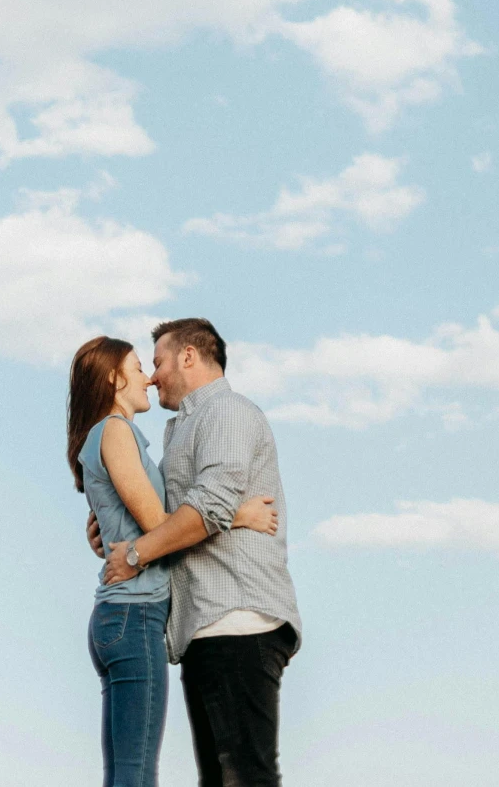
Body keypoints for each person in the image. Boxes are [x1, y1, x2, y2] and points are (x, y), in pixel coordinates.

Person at [97, 317, 302, 787]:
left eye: (159, 362)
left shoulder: (225, 413)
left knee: (243, 776)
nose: (152, 375)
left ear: (189, 356)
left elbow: (206, 506)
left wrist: (135, 555)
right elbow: (169, 516)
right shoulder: (184, 430)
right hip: (207, 627)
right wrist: (110, 526)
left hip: (236, 617)